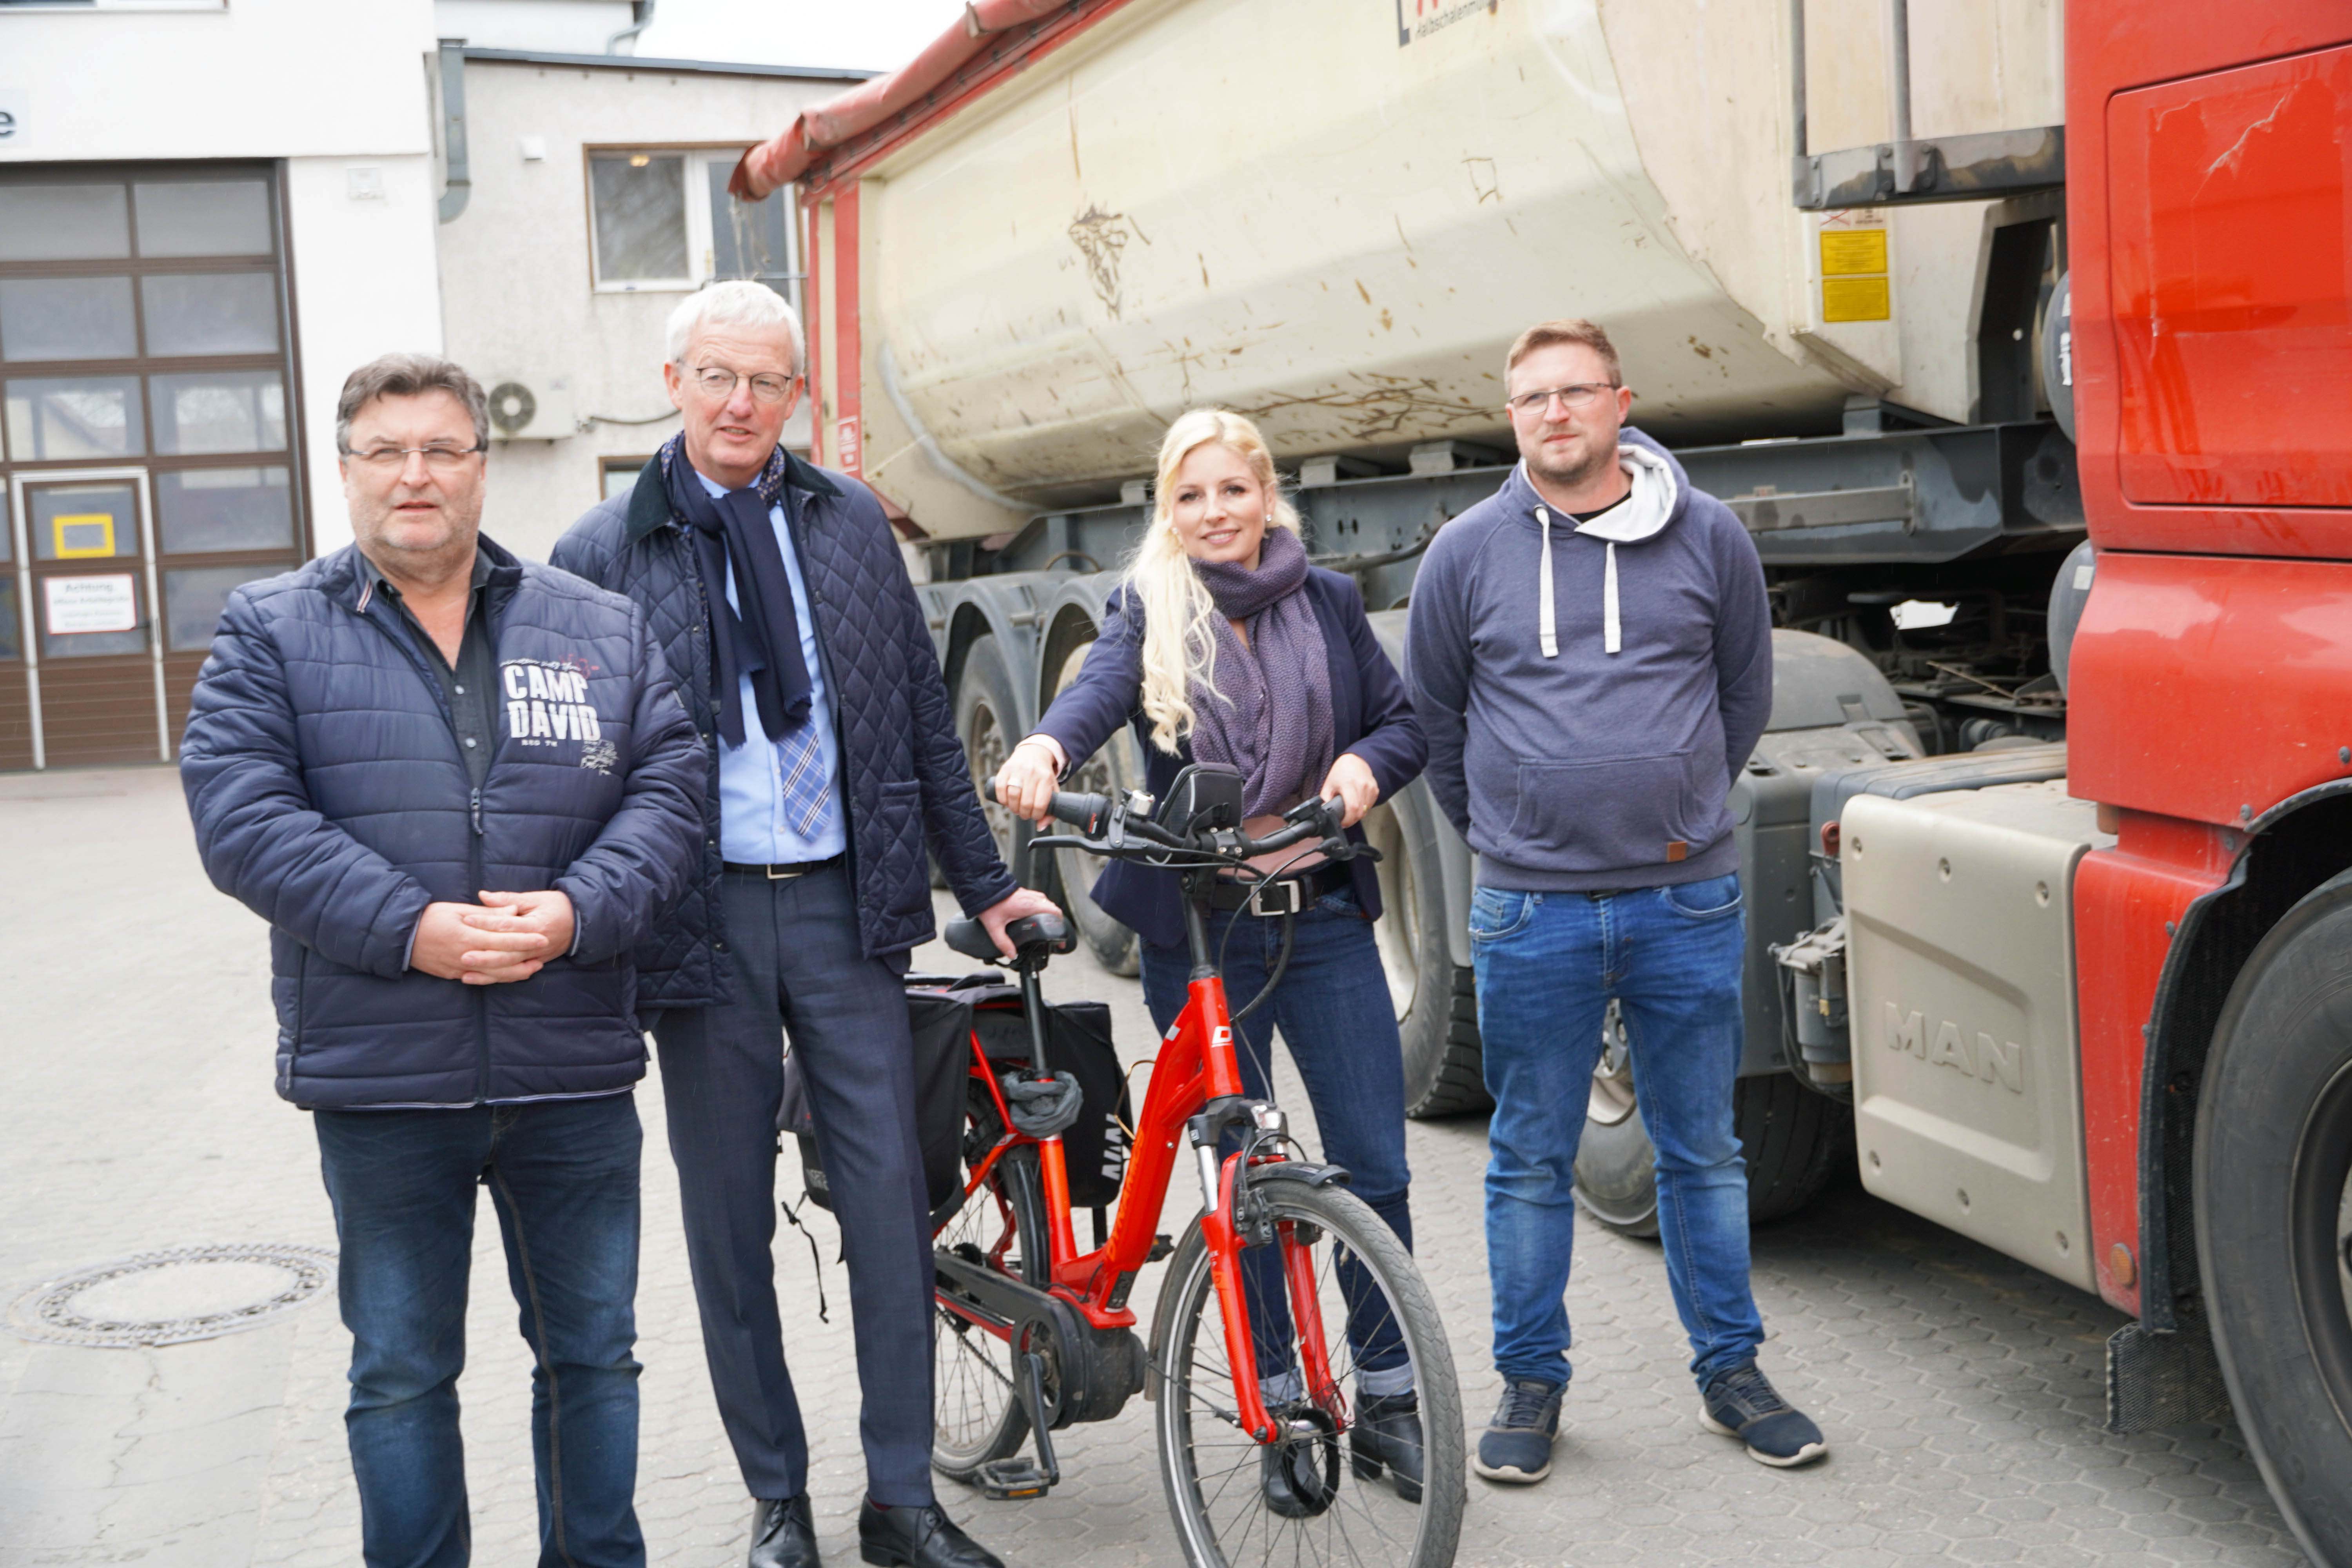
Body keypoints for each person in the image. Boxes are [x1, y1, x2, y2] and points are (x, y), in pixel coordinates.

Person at [551, 281, 1056, 1568]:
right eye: (717, 375)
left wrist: (985, 883)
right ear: (673, 381)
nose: (739, 402)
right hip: (695, 928)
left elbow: (921, 727)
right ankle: (779, 1498)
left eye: (766, 381)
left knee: (889, 1206)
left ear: (795, 398)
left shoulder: (849, 529)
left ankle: (901, 1499)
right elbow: (571, 770)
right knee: (728, 1227)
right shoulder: (601, 551)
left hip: (847, 909)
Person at [180, 354, 706, 1567]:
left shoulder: (596, 625)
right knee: (403, 1374)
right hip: (384, 1081)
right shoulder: (272, 629)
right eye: (387, 451)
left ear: (482, 466)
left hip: (569, 1068)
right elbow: (243, 816)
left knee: (593, 1360)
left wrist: (578, 910)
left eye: (441, 449)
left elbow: (671, 793)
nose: (415, 474)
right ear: (349, 470)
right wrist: (412, 927)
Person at [1406, 318, 1826, 1478]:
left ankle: (1730, 1375)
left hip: (1682, 904)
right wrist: (1512, 831)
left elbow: (1742, 694)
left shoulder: (1710, 539)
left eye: (1575, 392)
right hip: (1530, 911)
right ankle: (1532, 1385)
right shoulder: (1466, 554)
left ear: (1622, 402)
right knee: (1530, 1158)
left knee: (1703, 1150)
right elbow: (1438, 720)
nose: (1554, 413)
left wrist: (1682, 807)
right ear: (1512, 417)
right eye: (1531, 397)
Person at [993, 408, 1430, 1511]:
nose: (1214, 513)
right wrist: (1046, 743)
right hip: (1202, 932)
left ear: (1268, 496)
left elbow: (1403, 723)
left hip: (1320, 911)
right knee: (1247, 1181)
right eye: (1190, 497)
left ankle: (1387, 1398)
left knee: (1371, 1168)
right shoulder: (1151, 605)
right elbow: (1098, 695)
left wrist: (1363, 775)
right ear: (1166, 510)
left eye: (1233, 491)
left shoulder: (1326, 601)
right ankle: (1278, 1400)